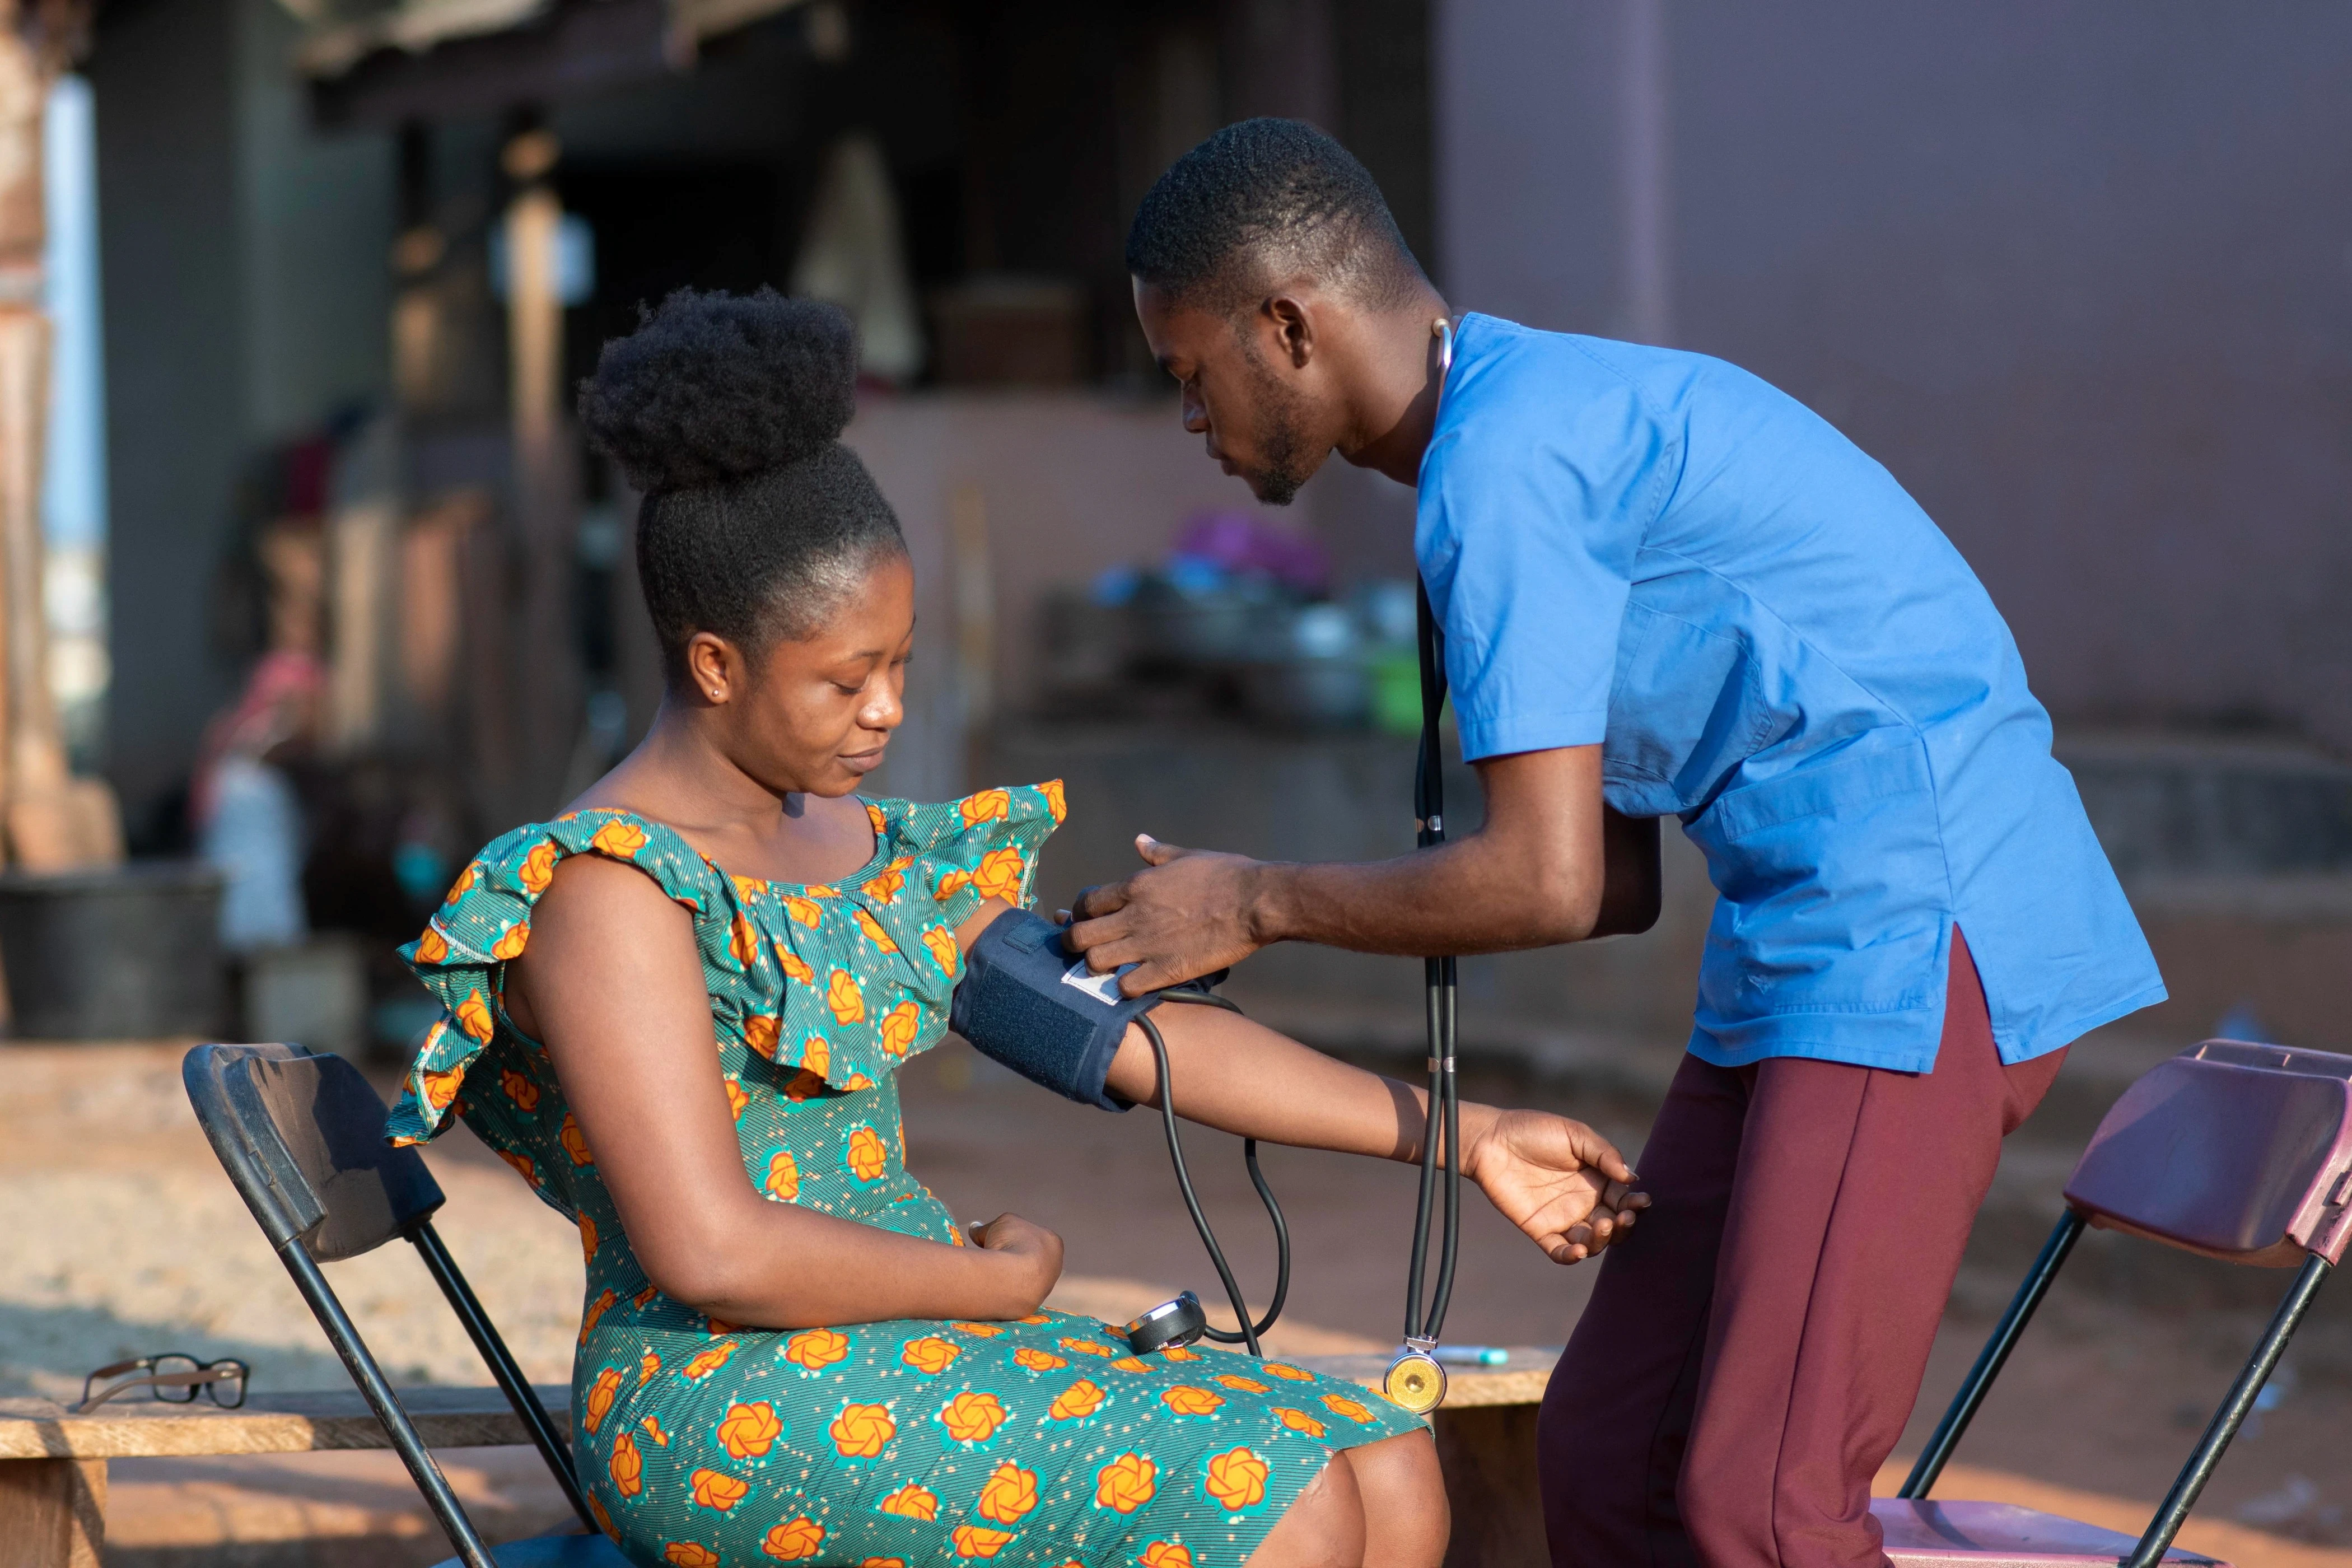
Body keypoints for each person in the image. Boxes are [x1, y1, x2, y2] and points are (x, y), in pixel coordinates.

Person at [382, 290, 1649, 1568]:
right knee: (1286, 1501)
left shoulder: (864, 853)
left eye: (901, 666)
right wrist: (986, 1285)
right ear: (714, 664)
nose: (883, 712)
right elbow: (713, 1248)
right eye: (843, 678)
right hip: (727, 1399)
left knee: (1386, 1460)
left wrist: (1469, 1137)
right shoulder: (611, 890)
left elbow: (1142, 1038)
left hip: (915, 1335)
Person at [1071, 120, 2168, 1568]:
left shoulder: (1507, 465)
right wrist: (1248, 904)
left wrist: (1256, 902)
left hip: (1917, 924)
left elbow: (1549, 878)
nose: (1193, 418)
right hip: (1799, 943)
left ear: (1288, 327)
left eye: (1190, 373)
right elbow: (1614, 886)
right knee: (1611, 1459)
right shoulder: (1522, 419)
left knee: (1765, 1506)